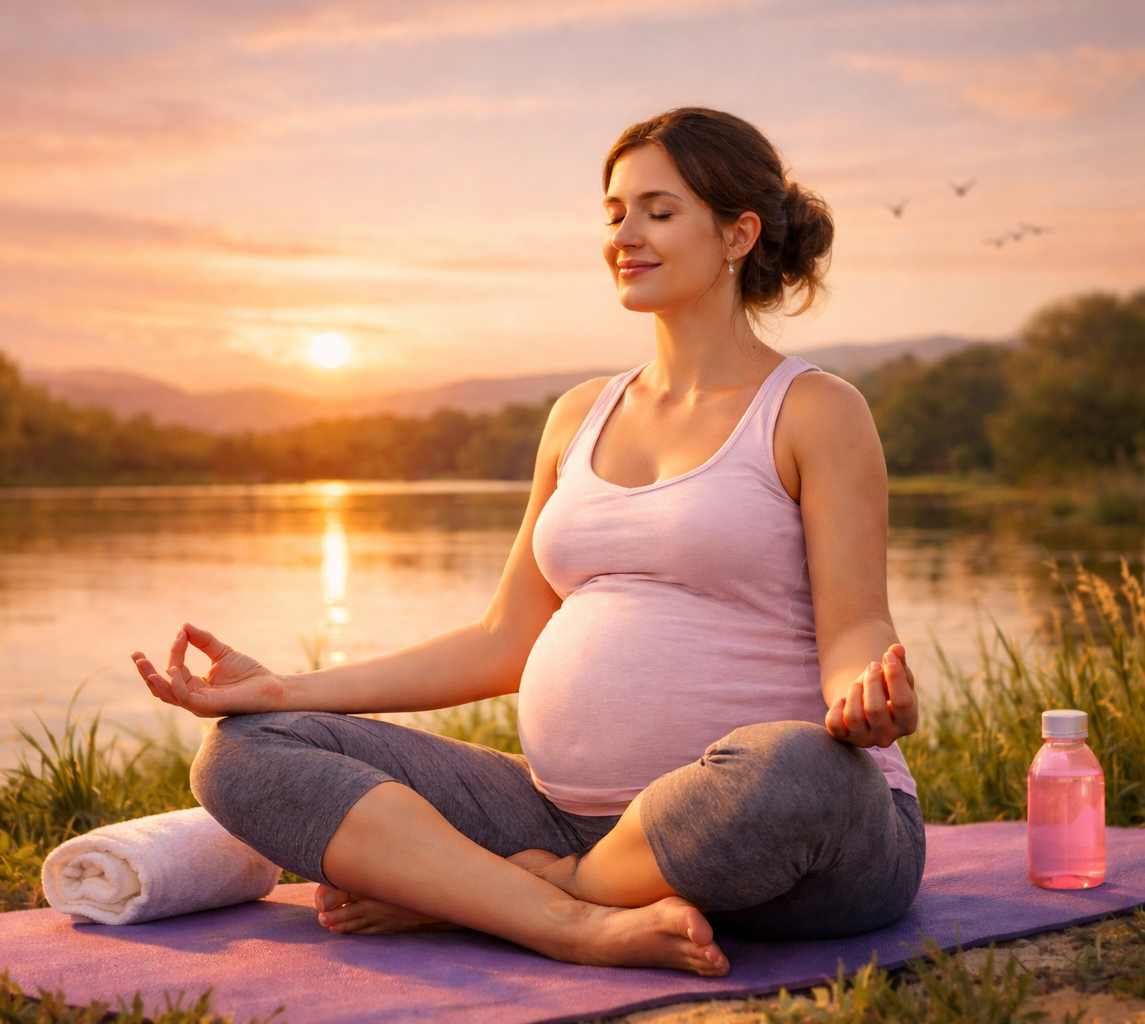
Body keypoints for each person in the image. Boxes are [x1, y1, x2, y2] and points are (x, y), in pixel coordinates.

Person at [131, 107, 923, 977]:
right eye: (614, 212)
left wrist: (866, 689)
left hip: (787, 837)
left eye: (658, 211)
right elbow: (505, 639)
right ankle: (564, 918)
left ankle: (502, 890)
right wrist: (282, 688)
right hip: (563, 813)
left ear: (739, 233)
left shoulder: (814, 410)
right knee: (246, 750)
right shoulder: (578, 416)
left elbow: (855, 624)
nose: (626, 235)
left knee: (800, 769)